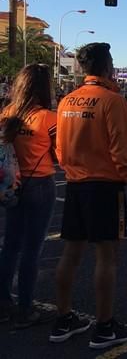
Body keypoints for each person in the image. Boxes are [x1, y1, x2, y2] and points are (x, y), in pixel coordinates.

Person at [52, 42, 127, 349]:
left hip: (75, 184)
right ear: (106, 67)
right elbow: (122, 150)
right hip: (104, 187)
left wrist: (72, 169)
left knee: (71, 252)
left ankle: (63, 318)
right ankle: (105, 327)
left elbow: (60, 149)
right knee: (107, 258)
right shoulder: (111, 100)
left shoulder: (67, 101)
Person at [0, 64, 57, 328]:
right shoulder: (48, 118)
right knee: (32, 249)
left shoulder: (6, 113)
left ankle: (3, 304)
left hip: (12, 184)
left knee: (10, 245)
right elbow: (59, 154)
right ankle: (25, 308)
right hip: (39, 183)